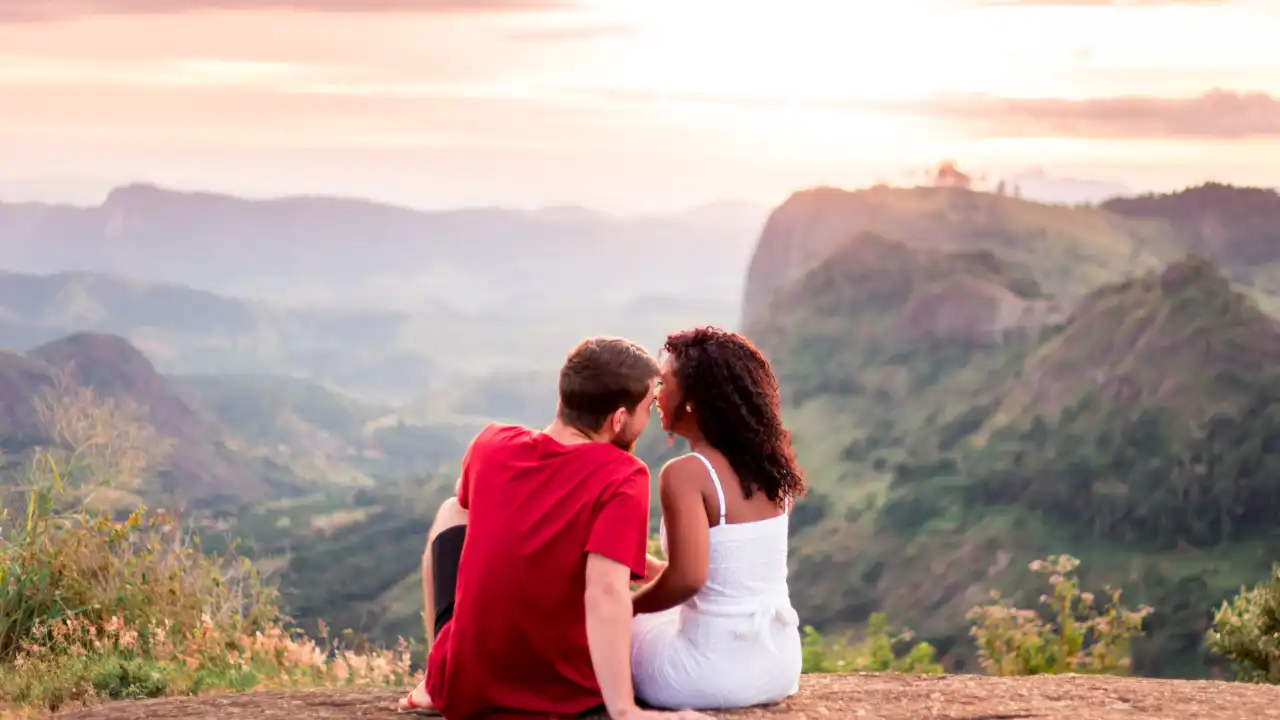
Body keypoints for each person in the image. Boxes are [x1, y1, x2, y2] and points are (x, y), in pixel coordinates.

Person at [398, 336, 711, 720]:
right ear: (617, 419)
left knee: (453, 510)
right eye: (646, 408)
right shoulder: (622, 475)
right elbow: (604, 590)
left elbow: (536, 527)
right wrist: (626, 711)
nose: (648, 419)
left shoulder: (490, 445)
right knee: (457, 509)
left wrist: (653, 569)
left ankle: (437, 678)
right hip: (565, 694)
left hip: (470, 690)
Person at [629, 326, 806, 710]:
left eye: (664, 383)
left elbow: (688, 579)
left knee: (614, 627)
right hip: (778, 665)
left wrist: (627, 607)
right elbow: (725, 575)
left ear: (693, 400)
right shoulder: (770, 469)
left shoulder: (687, 474)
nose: (656, 394)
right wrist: (638, 566)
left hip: (707, 674)